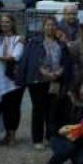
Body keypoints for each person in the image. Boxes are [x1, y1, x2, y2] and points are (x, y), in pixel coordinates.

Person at [19, 16, 71, 149]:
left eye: (53, 25)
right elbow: (28, 59)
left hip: (55, 81)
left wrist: (59, 73)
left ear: (56, 27)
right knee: (38, 109)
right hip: (38, 80)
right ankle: (37, 139)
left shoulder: (61, 43)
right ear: (43, 27)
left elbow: (65, 61)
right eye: (48, 25)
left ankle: (50, 137)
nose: (50, 27)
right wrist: (25, 76)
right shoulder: (34, 42)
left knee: (52, 110)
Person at [0, 13, 25, 144]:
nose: (4, 24)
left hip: (13, 79)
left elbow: (15, 56)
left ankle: (11, 134)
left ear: (12, 23)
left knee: (13, 107)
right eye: (2, 22)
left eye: (7, 22)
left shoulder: (18, 39)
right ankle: (2, 133)